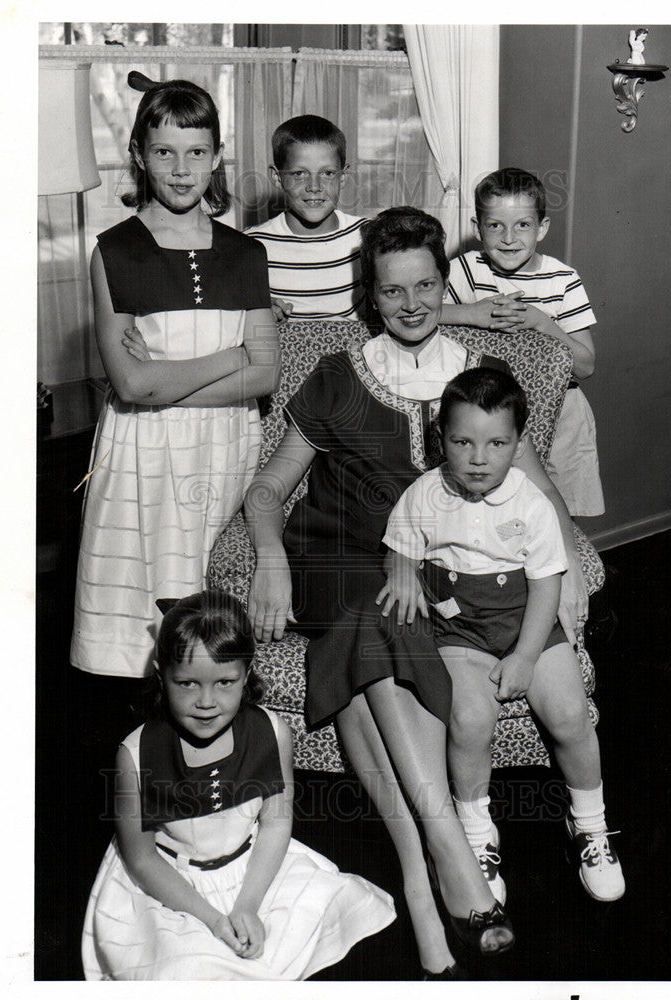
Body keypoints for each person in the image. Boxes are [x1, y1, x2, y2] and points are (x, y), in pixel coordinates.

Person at [244, 206, 588, 977]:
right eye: (392, 290)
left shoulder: (474, 377)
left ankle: (421, 880)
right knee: (376, 610)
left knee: (381, 645)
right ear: (371, 294)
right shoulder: (337, 373)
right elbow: (269, 489)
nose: (410, 304)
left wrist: (563, 568)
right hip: (336, 555)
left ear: (443, 284)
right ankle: (449, 856)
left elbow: (538, 484)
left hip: (425, 570)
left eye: (425, 285)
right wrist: (268, 555)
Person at [381, 367, 625, 906]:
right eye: (461, 441)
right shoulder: (425, 493)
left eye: (496, 443)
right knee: (469, 718)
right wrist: (401, 569)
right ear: (439, 437)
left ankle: (590, 823)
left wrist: (525, 656)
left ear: (518, 445)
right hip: (460, 628)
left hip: (528, 623)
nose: (477, 458)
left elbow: (545, 587)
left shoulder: (531, 504)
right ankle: (476, 831)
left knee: (569, 714)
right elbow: (400, 542)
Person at [70, 73, 280, 679]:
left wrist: (165, 374)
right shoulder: (113, 251)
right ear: (139, 154)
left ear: (217, 157)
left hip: (224, 451)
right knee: (143, 641)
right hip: (143, 456)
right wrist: (229, 357)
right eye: (164, 152)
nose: (182, 169)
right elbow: (132, 388)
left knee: (209, 633)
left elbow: (264, 375)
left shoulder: (246, 254)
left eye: (196, 152)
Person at [82, 590, 394, 980]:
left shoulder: (273, 733)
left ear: (247, 674)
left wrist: (248, 905)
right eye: (188, 684)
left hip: (254, 870)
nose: (207, 701)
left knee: (341, 908)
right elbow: (141, 859)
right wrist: (213, 920)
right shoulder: (135, 756)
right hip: (170, 888)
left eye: (225, 682)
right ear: (162, 675)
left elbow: (276, 823)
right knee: (188, 968)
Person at [446, 167, 605, 517]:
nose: (508, 238)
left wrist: (542, 323)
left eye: (522, 225)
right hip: (487, 415)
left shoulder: (563, 280)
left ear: (542, 228)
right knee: (495, 513)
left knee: (560, 509)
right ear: (477, 228)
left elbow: (586, 365)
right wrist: (471, 314)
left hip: (563, 413)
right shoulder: (465, 270)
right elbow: (425, 315)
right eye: (495, 225)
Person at [245, 115, 367, 322]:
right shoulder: (251, 244)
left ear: (343, 177)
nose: (314, 186)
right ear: (277, 177)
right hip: (285, 353)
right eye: (299, 174)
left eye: (328, 173)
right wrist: (260, 309)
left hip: (353, 351)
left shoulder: (366, 235)